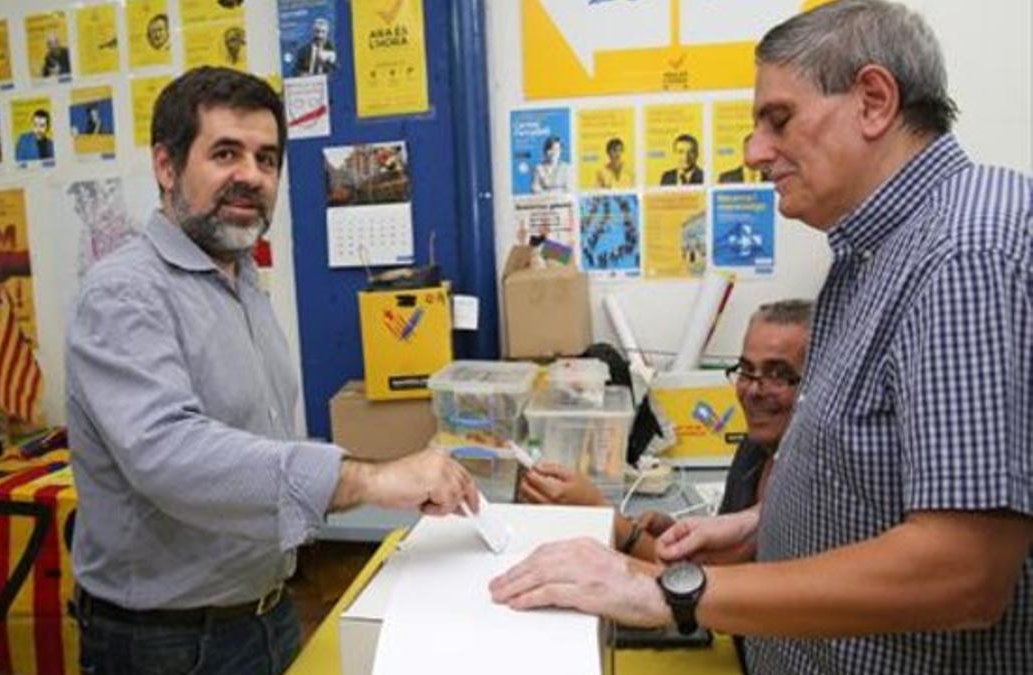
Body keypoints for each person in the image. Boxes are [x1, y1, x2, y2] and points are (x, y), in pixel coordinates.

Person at [491, 3, 1032, 673]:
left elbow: (965, 572)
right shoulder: (872, 253)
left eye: (778, 120)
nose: (753, 152)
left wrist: (663, 590)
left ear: (873, 100)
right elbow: (873, 473)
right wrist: (758, 527)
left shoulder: (965, 249)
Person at [67, 67, 479, 675]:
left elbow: (263, 445)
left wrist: (392, 480)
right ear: (165, 165)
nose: (252, 176)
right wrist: (367, 479)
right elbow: (171, 456)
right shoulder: (125, 293)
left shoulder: (241, 283)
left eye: (267, 159)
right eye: (226, 153)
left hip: (265, 614)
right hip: (166, 643)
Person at [519, 299, 812, 563]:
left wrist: (605, 516)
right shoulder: (754, 449)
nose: (754, 390)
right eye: (746, 370)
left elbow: (708, 579)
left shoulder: (812, 481)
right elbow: (723, 552)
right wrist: (676, 533)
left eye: (778, 375)